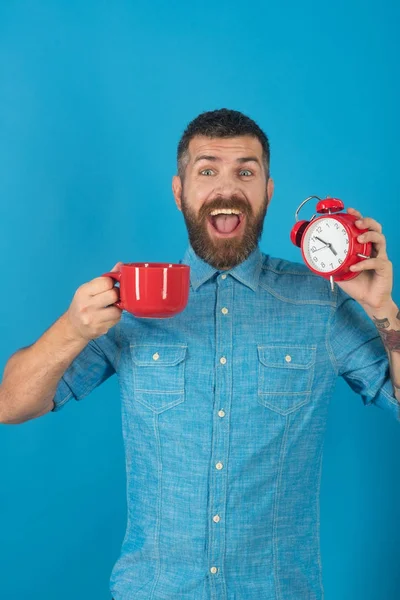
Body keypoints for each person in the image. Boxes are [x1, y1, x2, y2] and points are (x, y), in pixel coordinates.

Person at [1, 108, 399, 600]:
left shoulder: (320, 301)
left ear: (268, 192)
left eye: (246, 172)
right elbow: (11, 405)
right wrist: (71, 327)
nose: (227, 188)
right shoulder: (131, 298)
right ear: (179, 191)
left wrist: (385, 310)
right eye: (207, 170)